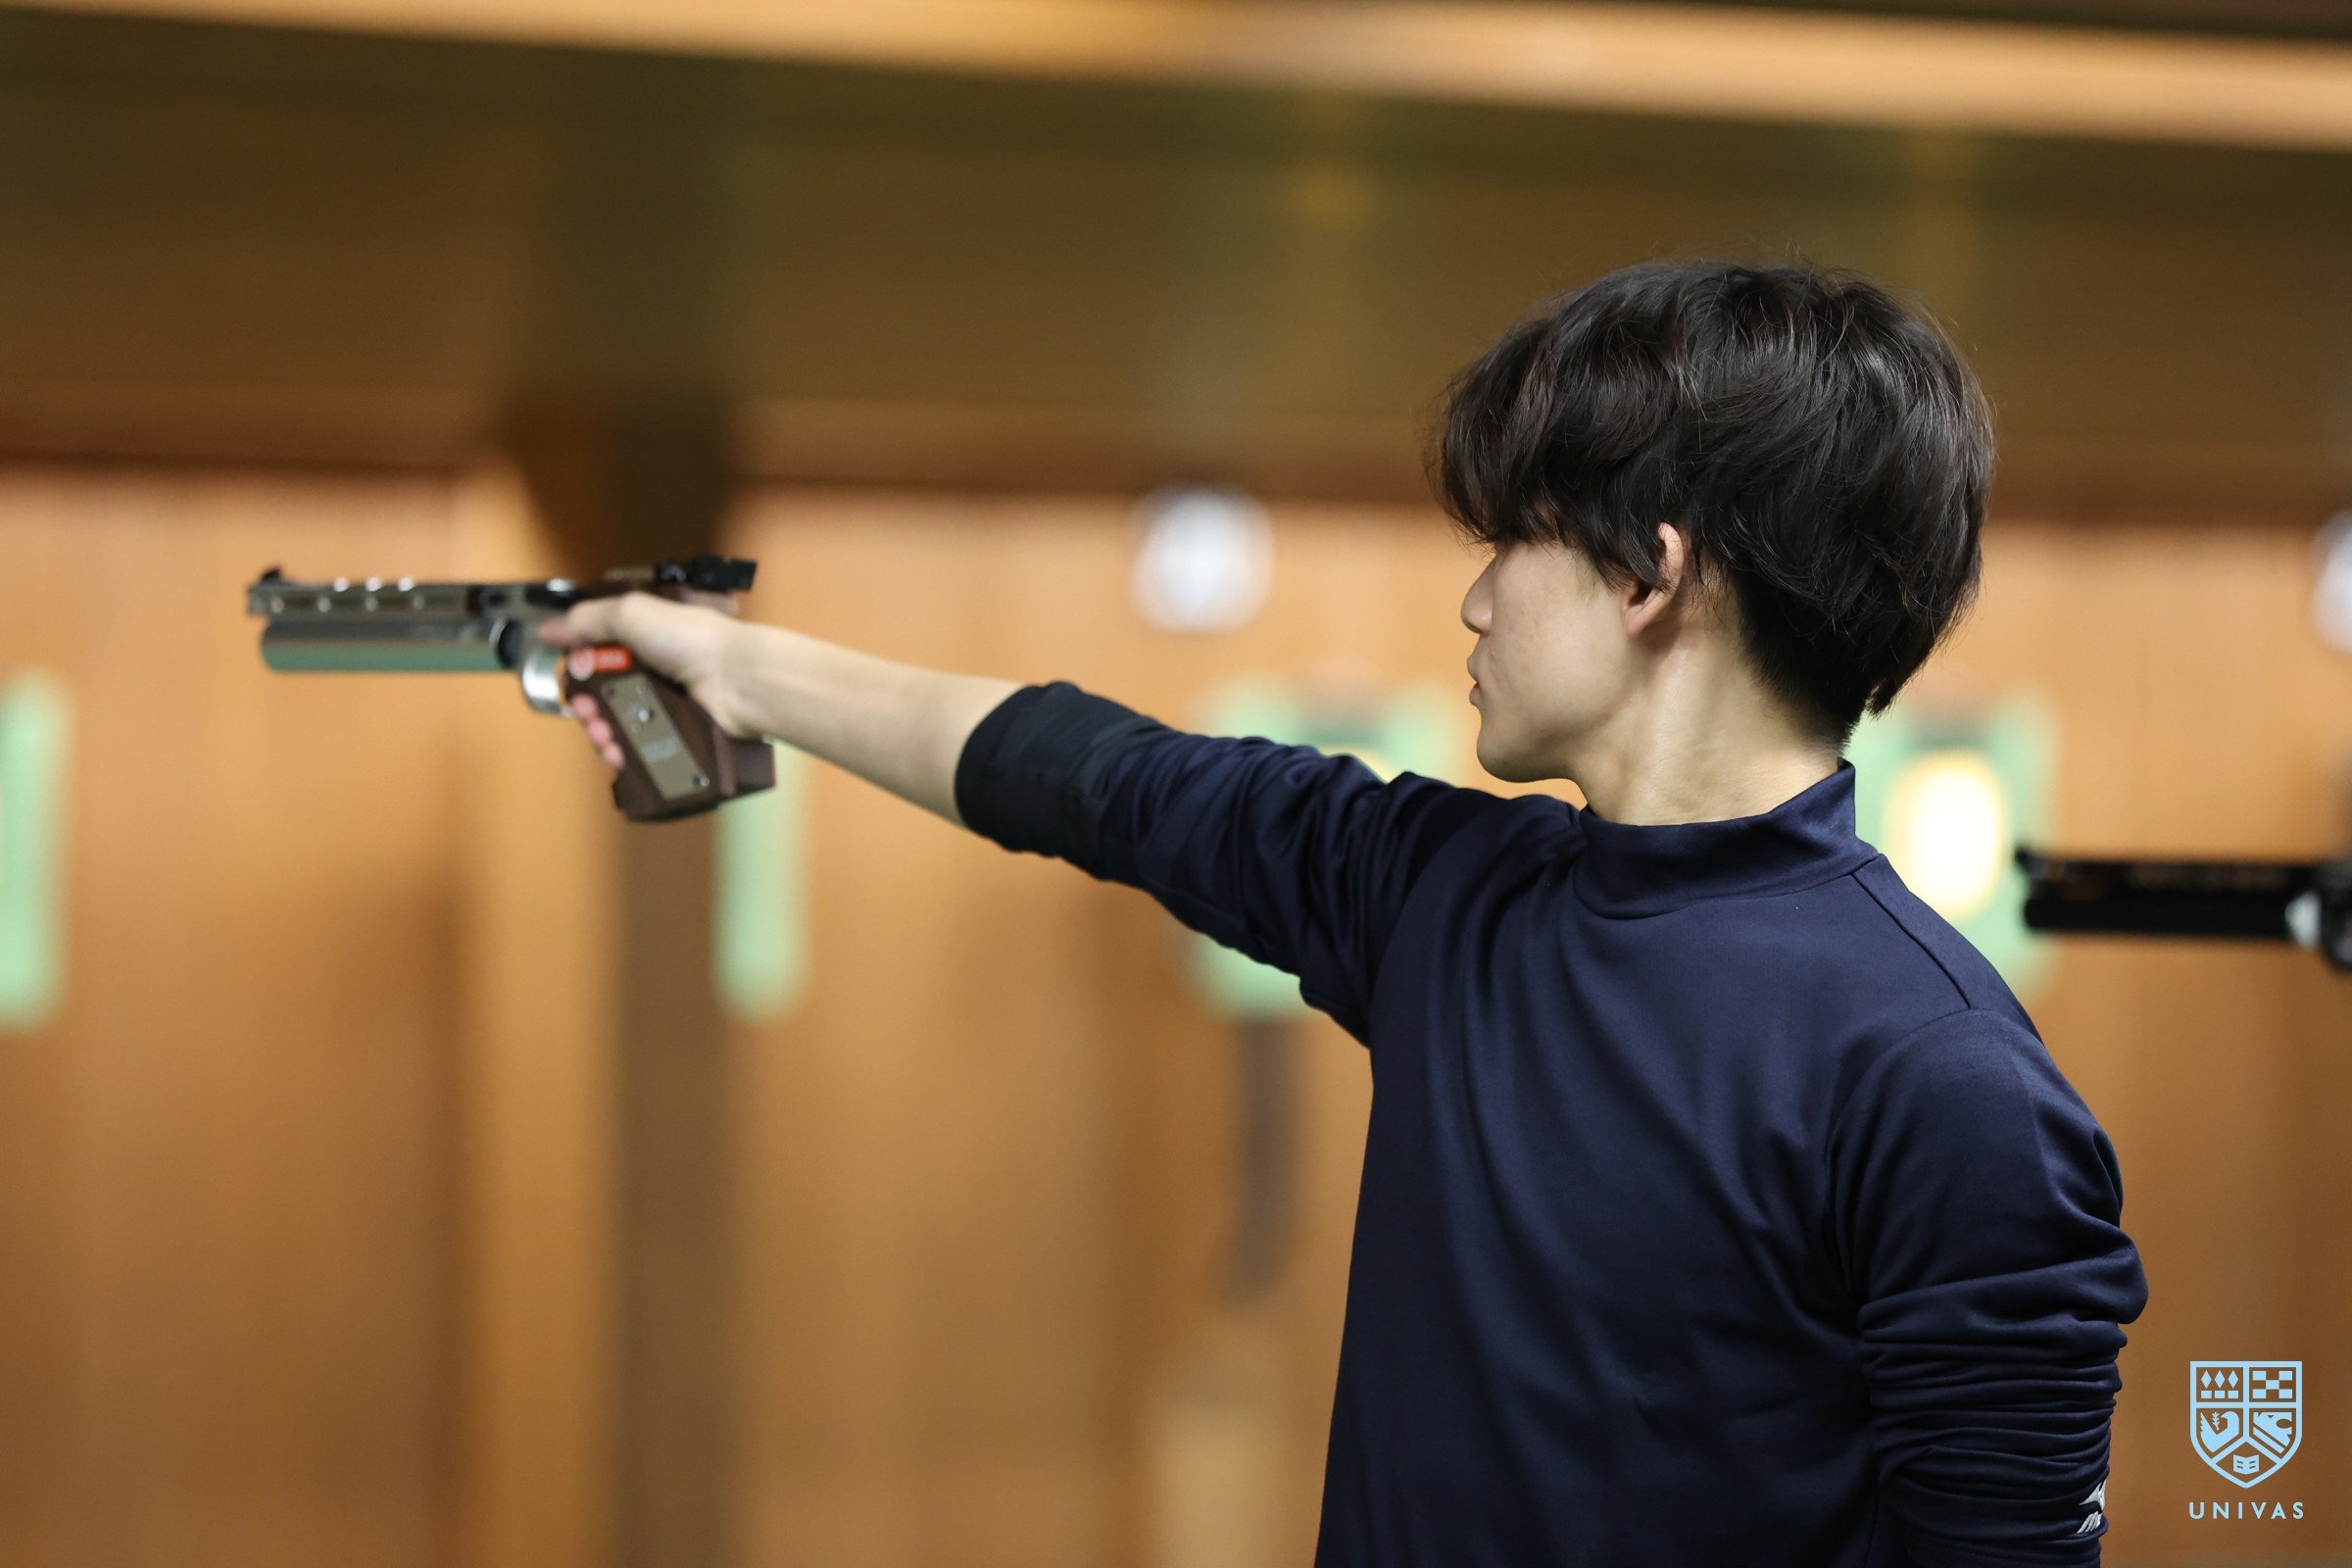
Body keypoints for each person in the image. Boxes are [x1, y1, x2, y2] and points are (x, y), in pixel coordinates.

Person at [543, 260, 2146, 1566]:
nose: (1475, 597)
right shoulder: (1446, 894)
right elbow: (1079, 773)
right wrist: (731, 666)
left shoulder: (1948, 1082)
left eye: (1514, 540)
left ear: (1651, 578)